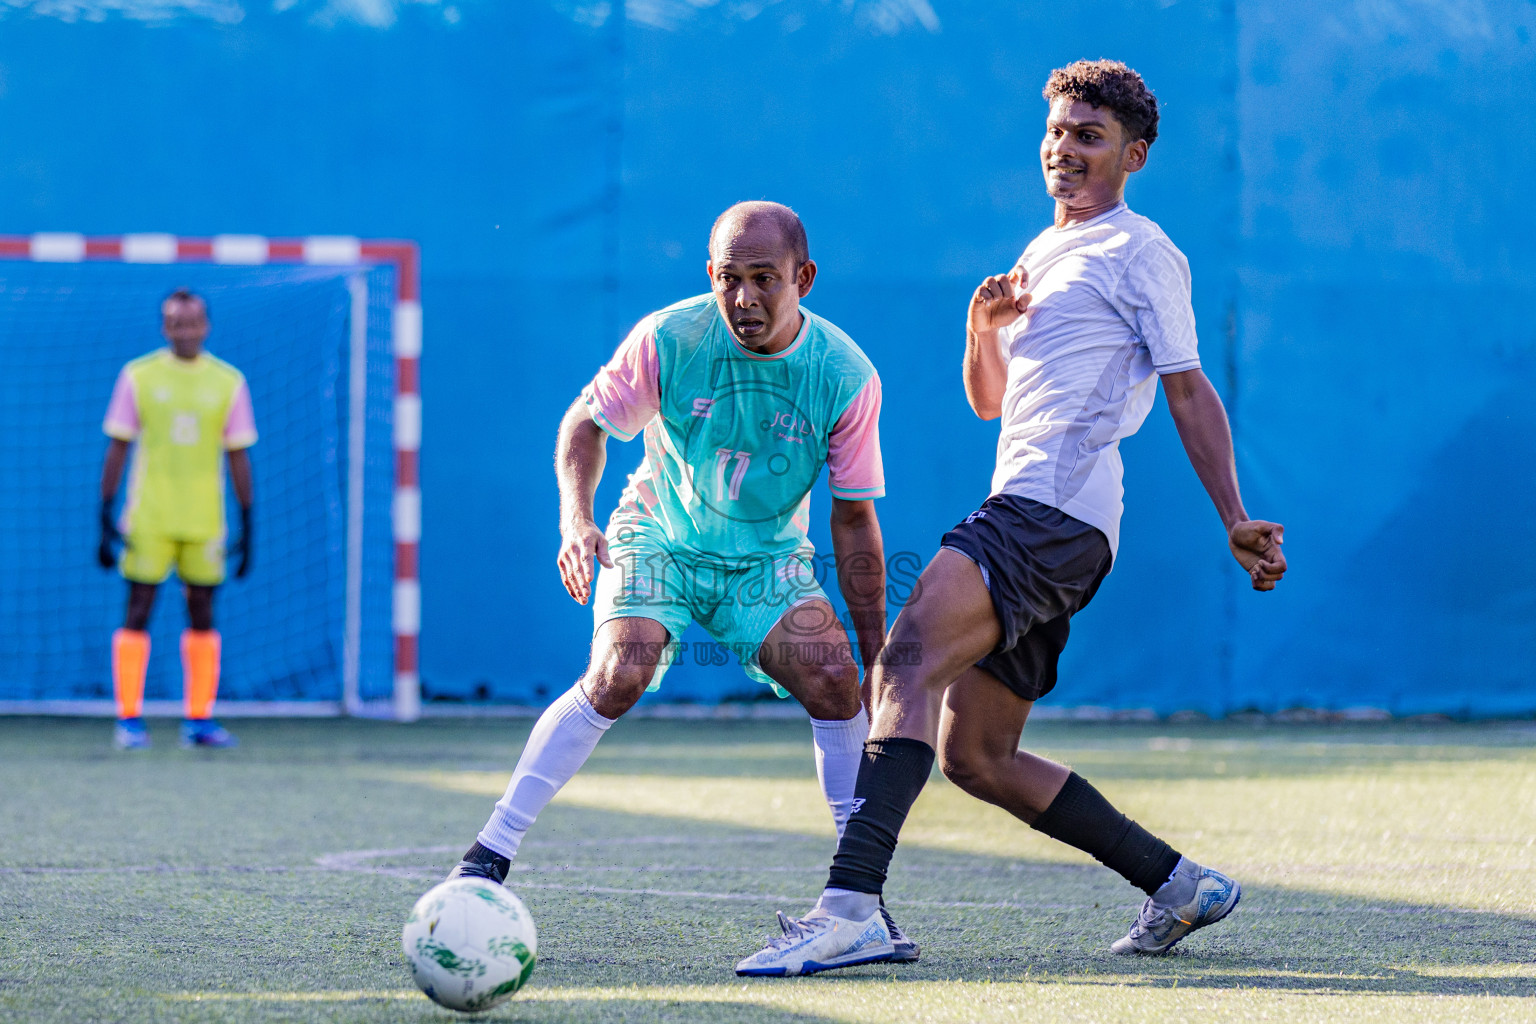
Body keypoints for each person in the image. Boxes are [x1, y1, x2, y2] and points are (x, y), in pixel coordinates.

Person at [736, 60, 1288, 977]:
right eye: (1058, 132)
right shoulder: (1039, 252)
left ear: (1133, 154)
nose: (1063, 150)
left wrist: (1233, 515)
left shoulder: (1140, 251)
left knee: (904, 658)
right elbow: (989, 405)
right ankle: (1180, 884)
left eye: (1089, 136)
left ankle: (851, 908)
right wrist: (980, 332)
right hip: (1039, 511)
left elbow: (1188, 389)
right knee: (978, 755)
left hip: (1051, 513)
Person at [444, 201, 918, 959]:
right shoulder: (672, 337)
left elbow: (854, 519)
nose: (745, 298)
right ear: (710, 276)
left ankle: (857, 902)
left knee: (833, 681)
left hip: (763, 556)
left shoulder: (845, 376)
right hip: (659, 532)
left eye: (765, 279)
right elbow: (585, 425)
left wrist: (876, 657)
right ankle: (488, 856)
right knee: (619, 670)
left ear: (805, 278)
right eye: (730, 279)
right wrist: (576, 518)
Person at [98, 288, 256, 750]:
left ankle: (200, 719)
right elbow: (118, 444)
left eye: (193, 322)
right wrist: (103, 509)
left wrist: (249, 519)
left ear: (206, 325)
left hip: (205, 519)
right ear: (164, 328)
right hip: (149, 515)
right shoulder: (139, 376)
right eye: (175, 323)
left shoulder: (228, 382)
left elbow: (239, 455)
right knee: (138, 608)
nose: (185, 331)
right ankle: (128, 719)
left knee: (203, 611)